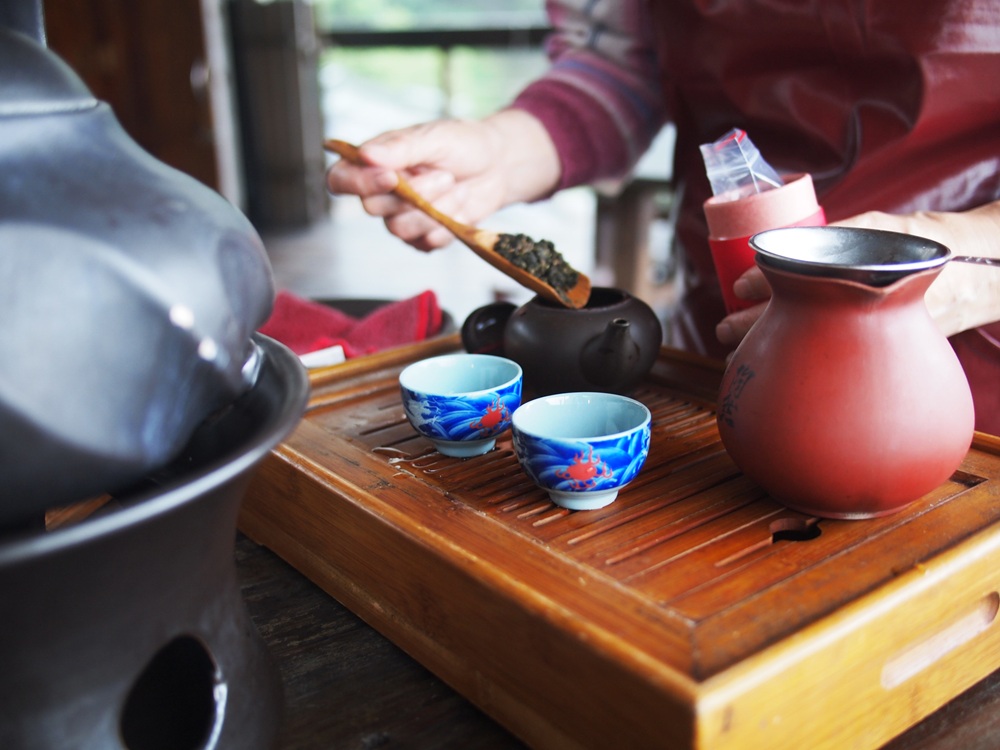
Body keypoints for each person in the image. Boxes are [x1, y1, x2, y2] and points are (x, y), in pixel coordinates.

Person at [326, 0, 1000, 434]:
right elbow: (623, 64)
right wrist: (498, 153)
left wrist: (965, 257)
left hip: (975, 352)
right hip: (729, 329)